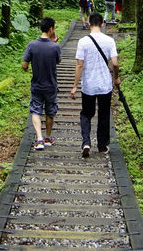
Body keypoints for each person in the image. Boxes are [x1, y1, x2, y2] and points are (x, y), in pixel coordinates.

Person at [70, 12, 119, 157]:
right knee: (104, 114)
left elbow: (79, 65)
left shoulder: (83, 42)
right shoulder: (109, 41)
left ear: (89, 24)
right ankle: (102, 146)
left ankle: (86, 142)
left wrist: (75, 86)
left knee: (86, 113)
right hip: (105, 85)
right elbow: (115, 63)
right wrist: (116, 78)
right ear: (102, 24)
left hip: (88, 85)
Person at [22, 16, 61, 151]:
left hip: (37, 84)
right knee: (50, 111)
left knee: (35, 110)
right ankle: (48, 138)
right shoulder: (55, 47)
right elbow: (58, 61)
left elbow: (24, 64)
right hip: (51, 85)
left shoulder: (32, 45)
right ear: (51, 29)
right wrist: (54, 42)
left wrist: (27, 68)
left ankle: (39, 139)